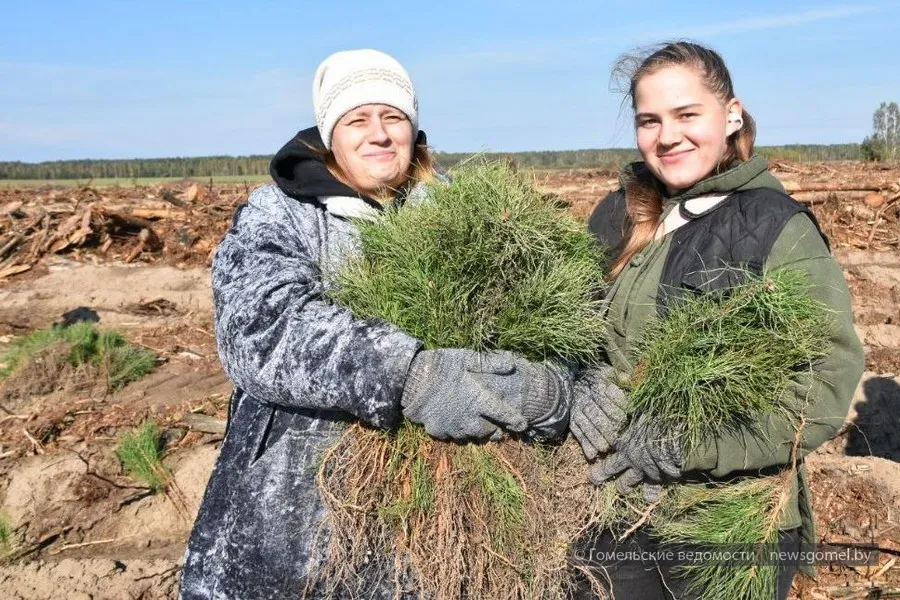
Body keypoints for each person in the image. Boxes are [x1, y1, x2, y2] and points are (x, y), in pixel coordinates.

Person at [178, 49, 572, 600]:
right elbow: (262, 329)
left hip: (426, 536)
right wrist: (408, 374)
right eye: (357, 119)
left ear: (413, 129)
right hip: (287, 529)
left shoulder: (460, 214)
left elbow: (545, 311)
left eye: (393, 118)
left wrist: (553, 383)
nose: (379, 134)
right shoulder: (281, 214)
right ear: (329, 135)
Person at [568, 41, 865, 599]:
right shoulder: (616, 214)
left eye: (687, 115)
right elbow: (572, 329)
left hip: (725, 525)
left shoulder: (775, 227)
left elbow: (823, 386)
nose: (668, 136)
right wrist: (581, 384)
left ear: (730, 114)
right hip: (613, 511)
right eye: (649, 120)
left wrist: (692, 442)